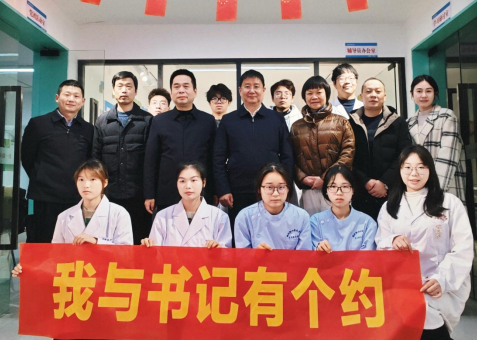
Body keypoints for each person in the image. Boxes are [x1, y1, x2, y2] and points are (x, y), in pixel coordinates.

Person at [12, 160, 133, 340]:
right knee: (70, 304)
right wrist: (29, 269)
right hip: (76, 280)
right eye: (81, 179)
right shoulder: (64, 216)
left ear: (104, 182)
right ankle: (85, 337)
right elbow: (55, 255)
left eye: (93, 179)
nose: (86, 184)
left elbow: (127, 252)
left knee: (98, 312)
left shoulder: (118, 213)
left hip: (106, 281)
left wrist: (97, 242)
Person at [375, 146, 473, 340]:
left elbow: (463, 247)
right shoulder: (390, 207)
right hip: (403, 282)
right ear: (400, 171)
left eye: (421, 167)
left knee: (422, 310)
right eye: (407, 167)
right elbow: (380, 244)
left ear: (430, 170)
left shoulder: (449, 203)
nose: (414, 173)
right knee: (404, 336)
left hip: (442, 281)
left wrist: (441, 279)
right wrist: (392, 240)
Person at [141, 163, 232, 340]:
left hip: (204, 280)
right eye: (182, 181)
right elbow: (156, 256)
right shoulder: (164, 216)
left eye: (193, 180)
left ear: (204, 183)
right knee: (170, 290)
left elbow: (227, 255)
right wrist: (149, 247)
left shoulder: (219, 216)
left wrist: (218, 249)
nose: (188, 186)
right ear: (176, 184)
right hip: (175, 279)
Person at [233, 163, 312, 340]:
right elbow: (240, 257)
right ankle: (247, 339)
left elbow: (304, 257)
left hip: (290, 276)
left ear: (289, 189)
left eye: (281, 187)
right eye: (269, 187)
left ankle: (293, 332)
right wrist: (255, 256)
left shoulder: (301, 216)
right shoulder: (245, 216)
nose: (275, 193)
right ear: (259, 189)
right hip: (256, 277)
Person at [311, 165, 377, 340]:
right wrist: (318, 250)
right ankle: (331, 335)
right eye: (333, 187)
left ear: (353, 190)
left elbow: (368, 260)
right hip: (327, 282)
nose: (339, 192)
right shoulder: (315, 221)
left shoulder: (367, 222)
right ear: (326, 191)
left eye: (344, 186)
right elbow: (310, 260)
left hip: (355, 283)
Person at [214, 70, 295, 230]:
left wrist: (284, 187)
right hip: (237, 192)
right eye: (247, 86)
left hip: (271, 191)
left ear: (263, 90)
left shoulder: (276, 119)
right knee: (240, 236)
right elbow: (218, 158)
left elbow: (287, 156)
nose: (252, 90)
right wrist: (223, 189)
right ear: (240, 90)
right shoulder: (228, 120)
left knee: (272, 234)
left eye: (256, 86)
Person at [21, 80, 94, 243]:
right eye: (67, 94)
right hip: (45, 196)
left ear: (82, 101)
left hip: (76, 197)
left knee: (74, 242)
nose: (71, 99)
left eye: (76, 96)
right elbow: (27, 158)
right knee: (44, 241)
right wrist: (41, 177)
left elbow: (89, 161)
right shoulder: (38, 124)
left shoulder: (88, 129)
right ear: (57, 97)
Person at [144, 69, 217, 214]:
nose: (181, 90)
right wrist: (149, 194)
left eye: (186, 86)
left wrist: (216, 190)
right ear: (171, 92)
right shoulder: (159, 121)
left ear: (195, 91)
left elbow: (213, 159)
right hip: (167, 192)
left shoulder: (208, 121)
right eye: (176, 87)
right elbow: (151, 160)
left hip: (201, 192)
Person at [93, 71, 153, 246]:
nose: (124, 90)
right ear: (113, 90)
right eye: (119, 86)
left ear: (135, 91)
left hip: (138, 196)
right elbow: (95, 158)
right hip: (109, 195)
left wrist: (150, 194)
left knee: (138, 241)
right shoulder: (102, 121)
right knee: (108, 241)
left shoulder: (147, 120)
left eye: (128, 86)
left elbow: (151, 161)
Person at [291, 76, 356, 216]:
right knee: (311, 224)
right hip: (309, 189)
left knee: (337, 222)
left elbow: (348, 152)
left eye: (319, 92)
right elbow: (292, 156)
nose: (314, 97)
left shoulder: (341, 122)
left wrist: (326, 179)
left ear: (326, 94)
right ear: (304, 97)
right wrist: (302, 178)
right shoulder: (296, 126)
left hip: (336, 186)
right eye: (309, 93)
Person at [350, 78, 412, 220]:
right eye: (368, 91)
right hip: (360, 192)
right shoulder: (351, 123)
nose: (373, 95)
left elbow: (404, 155)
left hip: (391, 191)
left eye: (378, 91)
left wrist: (385, 183)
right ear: (361, 96)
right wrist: (365, 181)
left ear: (384, 96)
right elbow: (348, 156)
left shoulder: (398, 122)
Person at [407, 75, 467, 204]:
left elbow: (448, 155)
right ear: (412, 94)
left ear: (435, 93)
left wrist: (436, 189)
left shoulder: (446, 116)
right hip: (418, 185)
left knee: (446, 212)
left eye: (428, 91)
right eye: (419, 91)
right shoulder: (409, 122)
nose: (424, 95)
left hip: (445, 181)